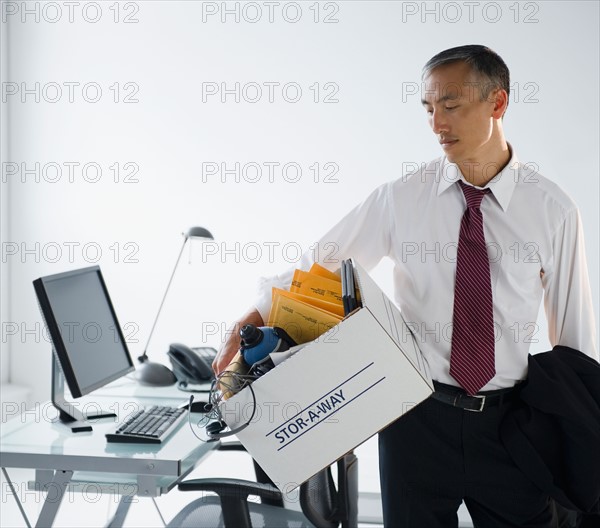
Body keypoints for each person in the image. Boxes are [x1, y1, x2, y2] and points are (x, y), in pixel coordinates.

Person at [212, 45, 598, 527]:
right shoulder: (402, 199)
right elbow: (319, 267)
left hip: (511, 427)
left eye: (451, 106)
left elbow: (575, 346)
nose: (437, 123)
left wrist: (572, 439)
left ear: (497, 104)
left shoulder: (553, 210)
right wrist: (252, 316)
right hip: (415, 418)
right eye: (428, 108)